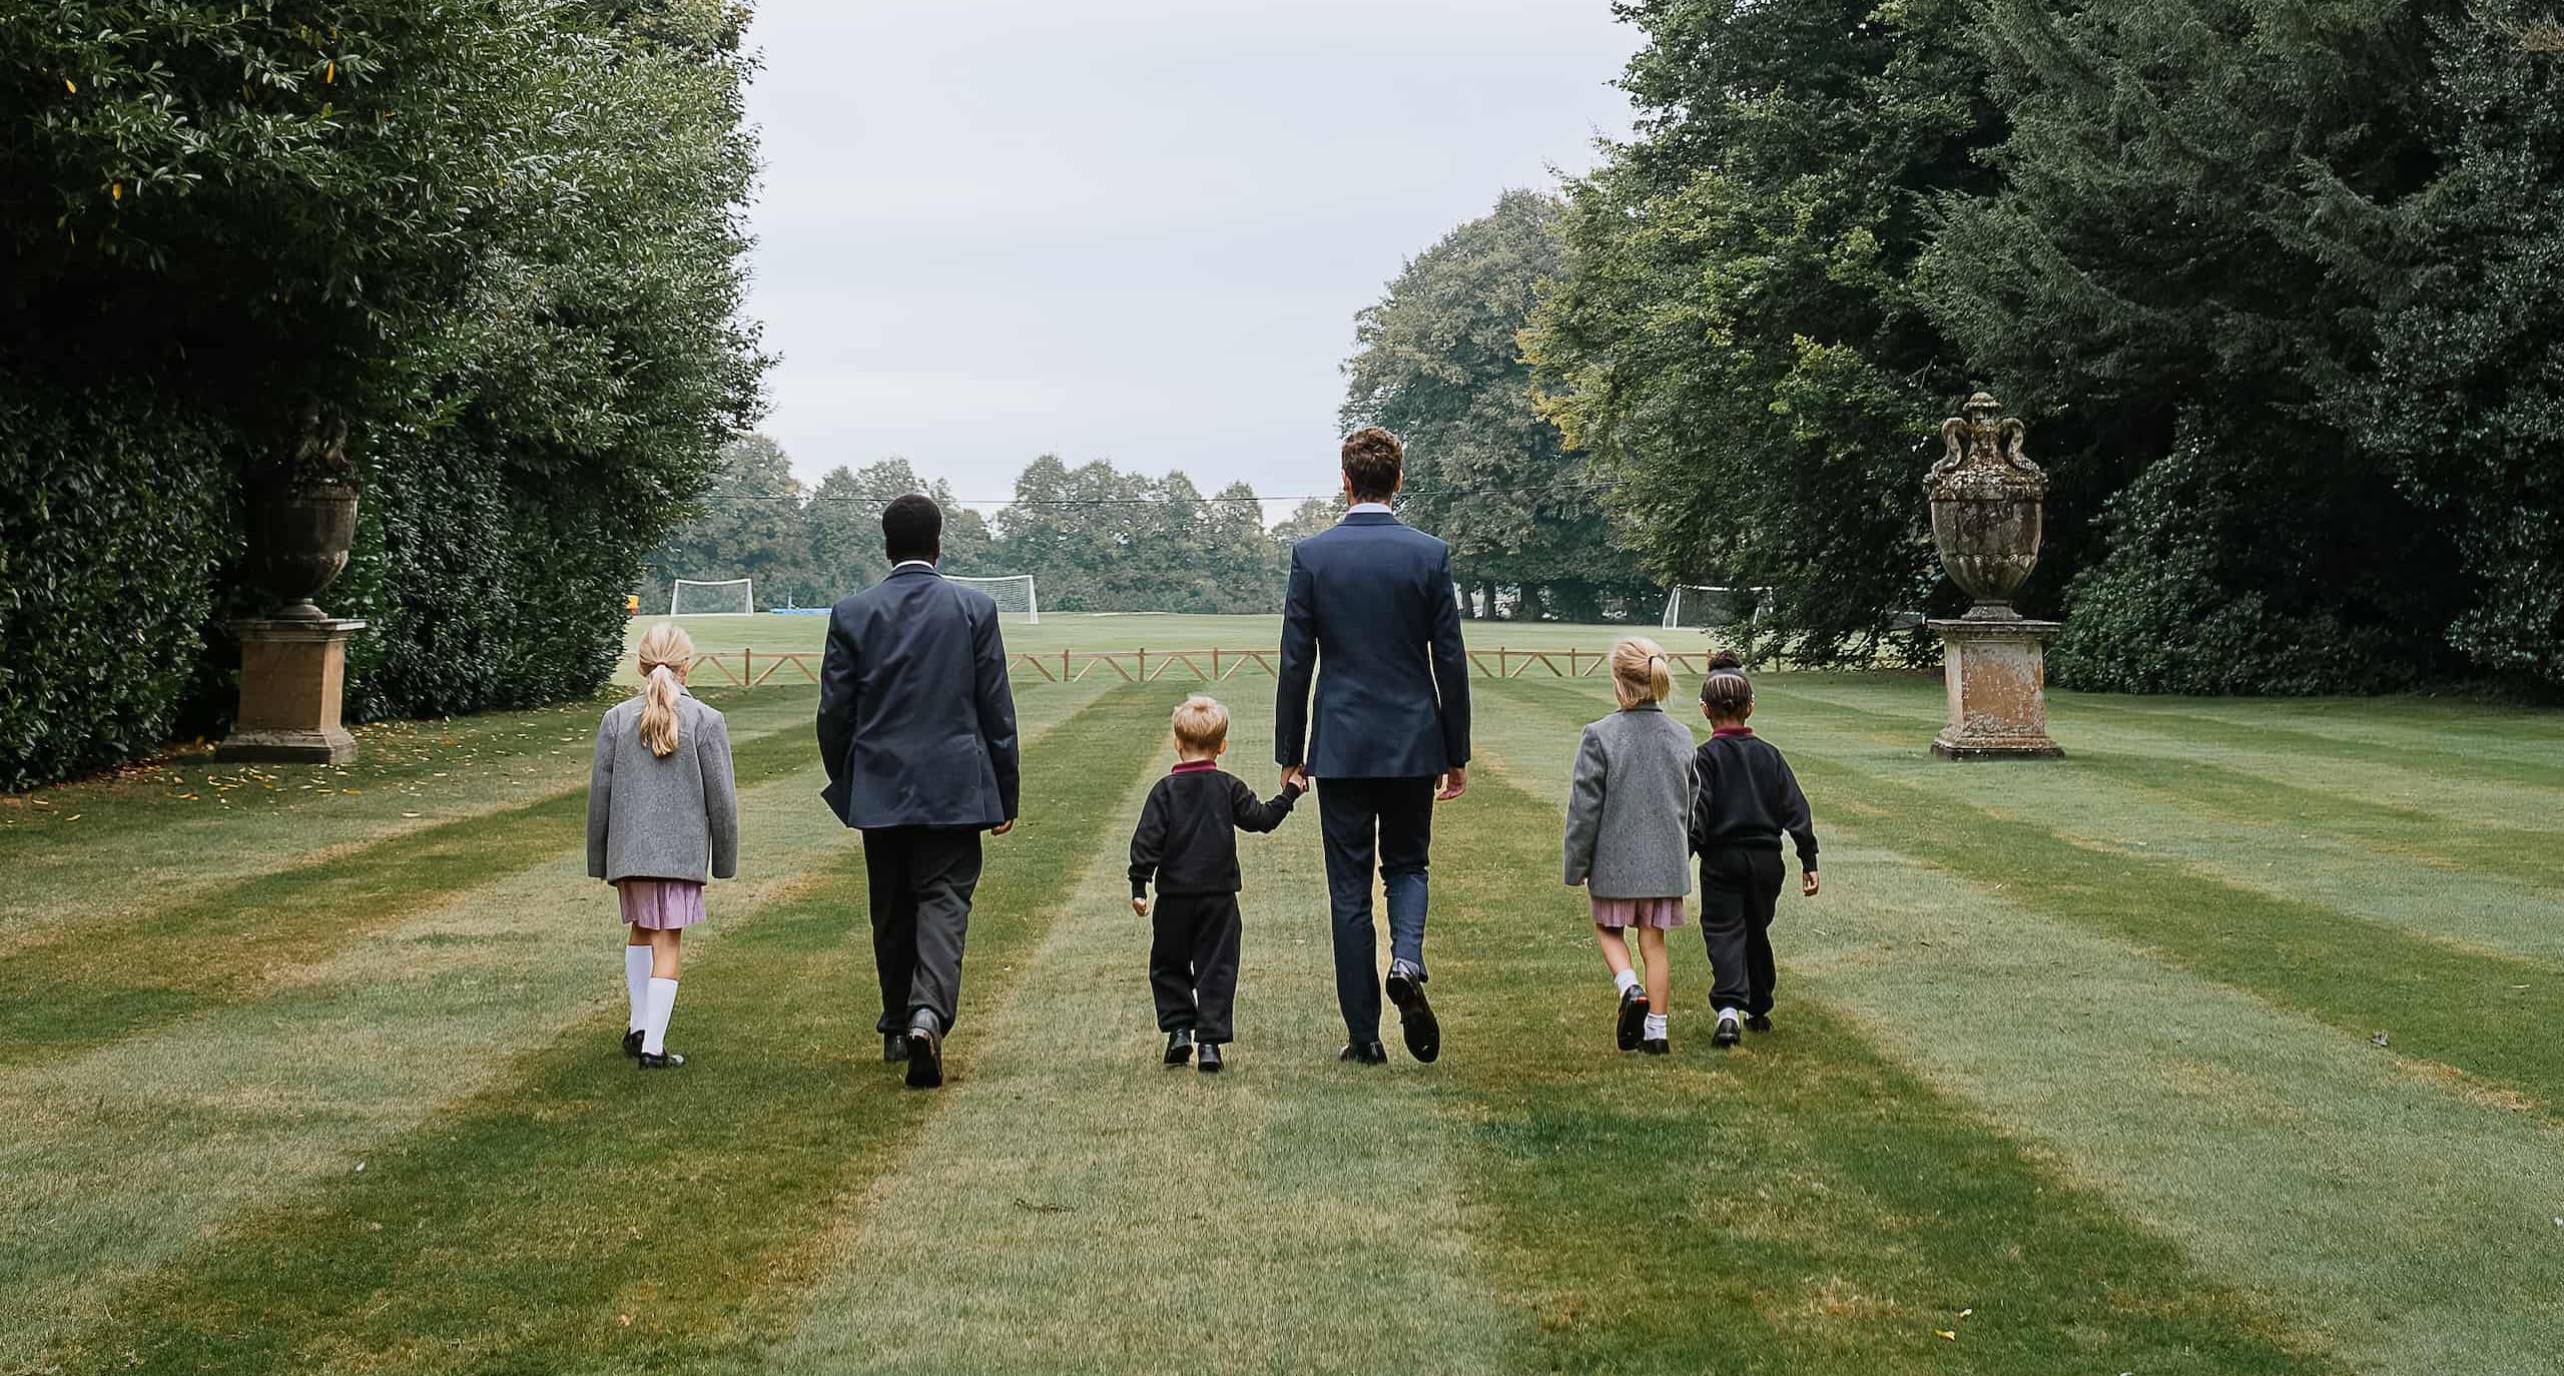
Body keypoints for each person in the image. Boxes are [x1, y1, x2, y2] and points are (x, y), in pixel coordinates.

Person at [1275, 426, 1471, 1065]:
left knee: (1348, 889)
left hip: (1343, 744)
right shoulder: (1429, 554)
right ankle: (1408, 960)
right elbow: (1450, 659)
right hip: (1413, 740)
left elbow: (1296, 662)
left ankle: (1364, 1037)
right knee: (1409, 865)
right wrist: (1455, 750)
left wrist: (1291, 748)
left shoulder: (1312, 555)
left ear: (1346, 481)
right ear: (1399, 481)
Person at [817, 494, 1021, 1089]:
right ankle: (926, 1012)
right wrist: (1005, 792)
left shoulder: (853, 613)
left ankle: (896, 1025)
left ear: (887, 546)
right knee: (944, 903)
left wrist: (849, 780)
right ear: (938, 544)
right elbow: (996, 711)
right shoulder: (973, 608)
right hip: (955, 787)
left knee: (891, 906)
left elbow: (834, 713)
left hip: (879, 786)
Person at [586, 622, 739, 1071]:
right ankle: (652, 1045)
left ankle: (638, 1025)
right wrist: (725, 860)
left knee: (639, 931)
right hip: (678, 855)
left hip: (629, 854)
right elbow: (722, 800)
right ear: (686, 667)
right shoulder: (706, 721)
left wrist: (600, 857)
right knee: (667, 942)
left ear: (640, 664)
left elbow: (601, 796)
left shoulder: (616, 719)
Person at [1127, 695, 1306, 1074]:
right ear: (1222, 746)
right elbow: (1262, 818)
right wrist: (1290, 791)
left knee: (1168, 963)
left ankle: (1178, 1030)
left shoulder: (1164, 791)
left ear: (1177, 743)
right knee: (1218, 967)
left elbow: (1147, 841)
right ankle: (1209, 1043)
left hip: (1174, 897)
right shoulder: (1227, 787)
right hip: (1219, 898)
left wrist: (1139, 885)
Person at [1562, 638, 1697, 1055]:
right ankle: (1657, 1030)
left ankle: (1628, 986)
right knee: (1653, 942)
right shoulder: (1682, 735)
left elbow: (1585, 809)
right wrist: (1681, 852)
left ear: (1618, 681)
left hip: (1615, 862)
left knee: (1608, 929)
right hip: (1664, 861)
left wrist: (1576, 864)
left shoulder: (1600, 736)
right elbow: (1691, 804)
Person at [1689, 650, 1821, 1048]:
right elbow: (1796, 807)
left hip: (1723, 859)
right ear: (1750, 707)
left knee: (1724, 929)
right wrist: (1808, 857)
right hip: (1767, 862)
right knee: (1755, 929)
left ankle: (1728, 1010)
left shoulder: (1704, 758)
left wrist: (1681, 860)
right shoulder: (1769, 755)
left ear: (1704, 710)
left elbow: (1697, 814)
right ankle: (1759, 1006)